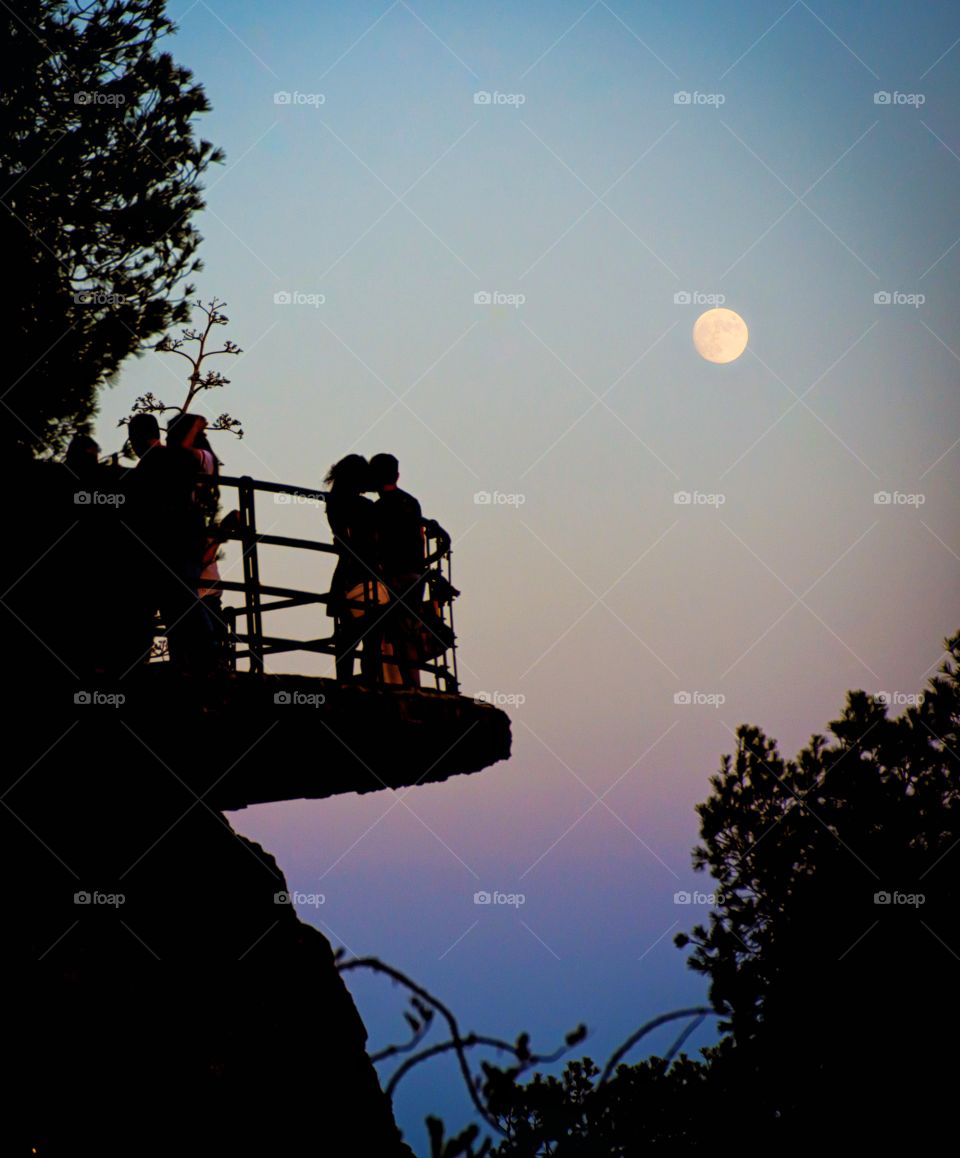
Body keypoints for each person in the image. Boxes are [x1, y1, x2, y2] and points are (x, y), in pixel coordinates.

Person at [127, 412, 213, 669]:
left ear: (135, 438)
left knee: (168, 607)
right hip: (179, 545)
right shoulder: (173, 458)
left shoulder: (155, 462)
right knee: (180, 606)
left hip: (167, 547)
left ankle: (199, 660)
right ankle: (200, 662)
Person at [368, 453, 427, 688]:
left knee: (385, 630)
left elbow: (375, 542)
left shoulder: (378, 508)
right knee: (408, 631)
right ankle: (413, 684)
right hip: (415, 572)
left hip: (392, 574)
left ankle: (388, 683)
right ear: (397, 475)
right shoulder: (411, 503)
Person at [324, 455, 384, 683]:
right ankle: (370, 680)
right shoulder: (365, 507)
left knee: (348, 634)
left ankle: (345, 681)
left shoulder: (334, 503)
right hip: (366, 571)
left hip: (346, 573)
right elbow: (376, 538)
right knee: (372, 634)